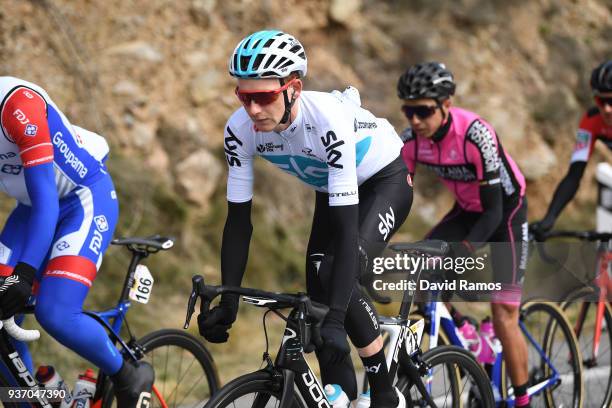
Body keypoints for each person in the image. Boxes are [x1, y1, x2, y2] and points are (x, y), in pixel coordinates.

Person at [197, 30, 413, 408]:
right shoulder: (239, 130)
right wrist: (229, 300)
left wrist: (338, 317)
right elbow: (238, 223)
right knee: (316, 296)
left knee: (333, 280)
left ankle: (383, 390)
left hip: (383, 180)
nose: (253, 110)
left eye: (263, 97)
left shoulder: (328, 121)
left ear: (293, 88)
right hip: (332, 190)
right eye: (244, 97)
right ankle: (342, 398)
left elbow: (346, 232)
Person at [0, 77, 153, 408]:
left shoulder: (18, 107)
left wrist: (24, 274)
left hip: (81, 199)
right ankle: (31, 401)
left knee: (54, 312)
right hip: (29, 208)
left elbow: (47, 204)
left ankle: (128, 376)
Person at [398, 62, 532, 407]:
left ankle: (522, 401)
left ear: (446, 104)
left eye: (423, 111)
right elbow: (397, 196)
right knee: (424, 277)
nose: (414, 120)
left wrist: (465, 251)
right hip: (466, 209)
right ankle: (467, 332)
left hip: (505, 211)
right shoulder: (412, 140)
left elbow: (493, 213)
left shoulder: (476, 134)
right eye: (408, 110)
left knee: (504, 313)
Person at [531, 60, 612, 235]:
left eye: (611, 101)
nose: (606, 109)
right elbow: (574, 175)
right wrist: (550, 218)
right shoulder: (590, 121)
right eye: (601, 100)